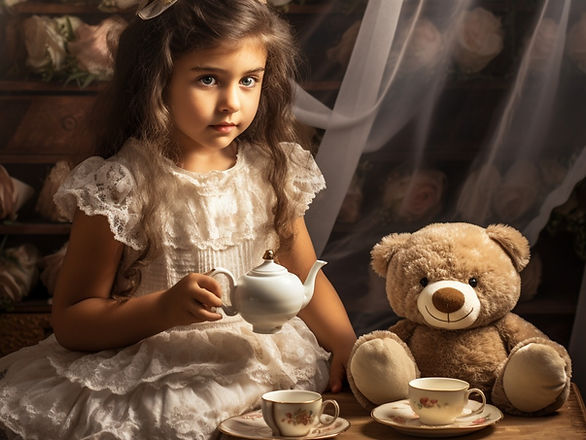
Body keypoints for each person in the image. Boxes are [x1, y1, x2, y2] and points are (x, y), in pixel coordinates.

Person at [0, 0, 357, 438]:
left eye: (249, 81)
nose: (231, 102)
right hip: (154, 372)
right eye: (208, 79)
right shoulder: (122, 183)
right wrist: (164, 307)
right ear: (157, 78)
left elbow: (304, 274)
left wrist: (345, 344)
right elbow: (73, 320)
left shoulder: (271, 170)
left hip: (258, 361)